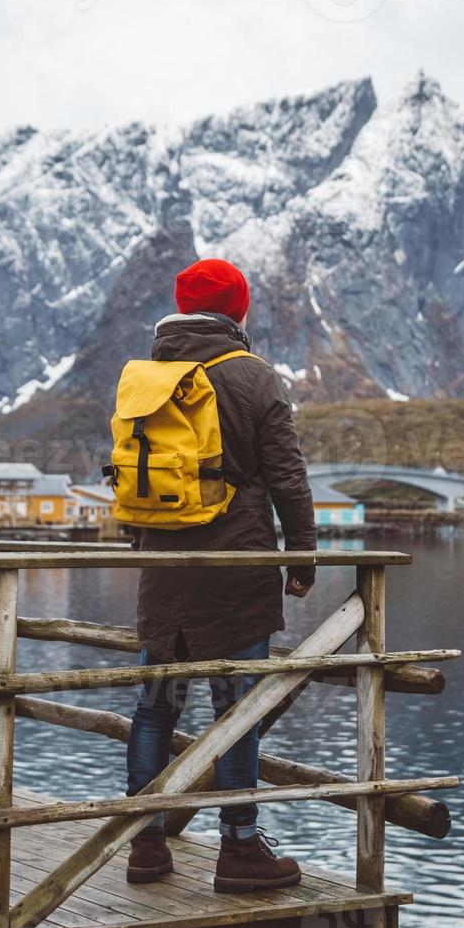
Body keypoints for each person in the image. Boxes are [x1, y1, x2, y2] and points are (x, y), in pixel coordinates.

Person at [125, 258, 317, 893]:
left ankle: (145, 844)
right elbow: (287, 475)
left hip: (163, 563)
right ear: (239, 311)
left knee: (155, 707)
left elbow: (136, 473)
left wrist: (143, 543)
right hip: (236, 564)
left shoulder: (147, 377)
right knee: (238, 706)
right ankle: (239, 849)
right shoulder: (254, 377)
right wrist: (302, 552)